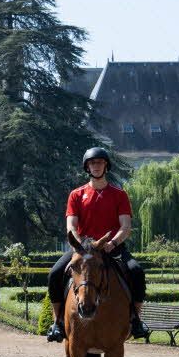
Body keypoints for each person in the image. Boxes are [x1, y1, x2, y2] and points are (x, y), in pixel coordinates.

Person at [45, 147, 151, 343]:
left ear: (106, 166)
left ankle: (136, 319)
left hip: (111, 248)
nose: (96, 166)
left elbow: (125, 226)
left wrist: (112, 243)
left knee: (137, 271)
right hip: (84, 250)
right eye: (92, 163)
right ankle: (57, 322)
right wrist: (78, 244)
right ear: (87, 167)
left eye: (100, 162)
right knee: (54, 274)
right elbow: (71, 226)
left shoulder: (119, 195)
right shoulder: (76, 194)